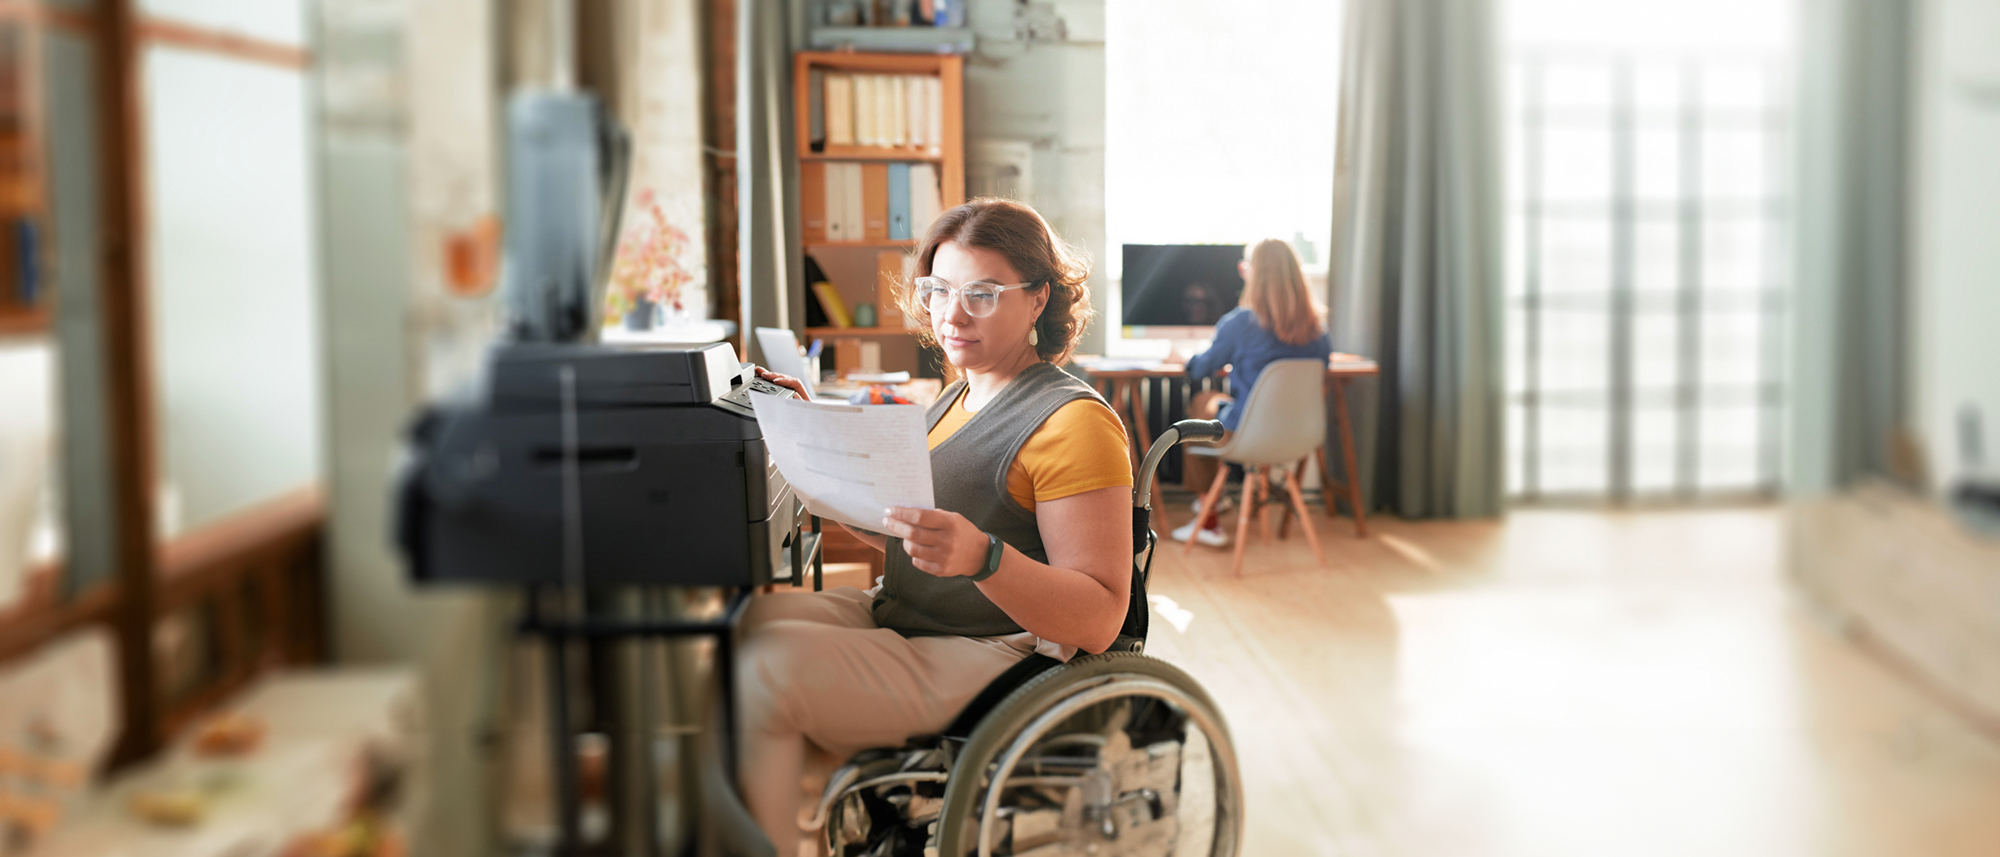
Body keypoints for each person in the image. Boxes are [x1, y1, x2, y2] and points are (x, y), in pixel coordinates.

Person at [743, 199, 1132, 851]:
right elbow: (913, 535)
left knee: (763, 672)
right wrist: (822, 454)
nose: (951, 314)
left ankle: (780, 834)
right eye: (939, 290)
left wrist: (984, 557)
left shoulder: (1074, 422)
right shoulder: (958, 393)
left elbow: (1099, 615)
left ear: (1037, 299)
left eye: (982, 293)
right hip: (915, 612)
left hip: (994, 649)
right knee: (743, 628)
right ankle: (798, 819)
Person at [1174, 238, 1333, 546]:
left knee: (1203, 401)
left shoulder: (1240, 323)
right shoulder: (1318, 329)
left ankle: (1209, 515)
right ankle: (1214, 503)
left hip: (1248, 434)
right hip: (1300, 436)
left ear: (1253, 274)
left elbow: (1201, 369)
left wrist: (1184, 359)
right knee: (1223, 404)